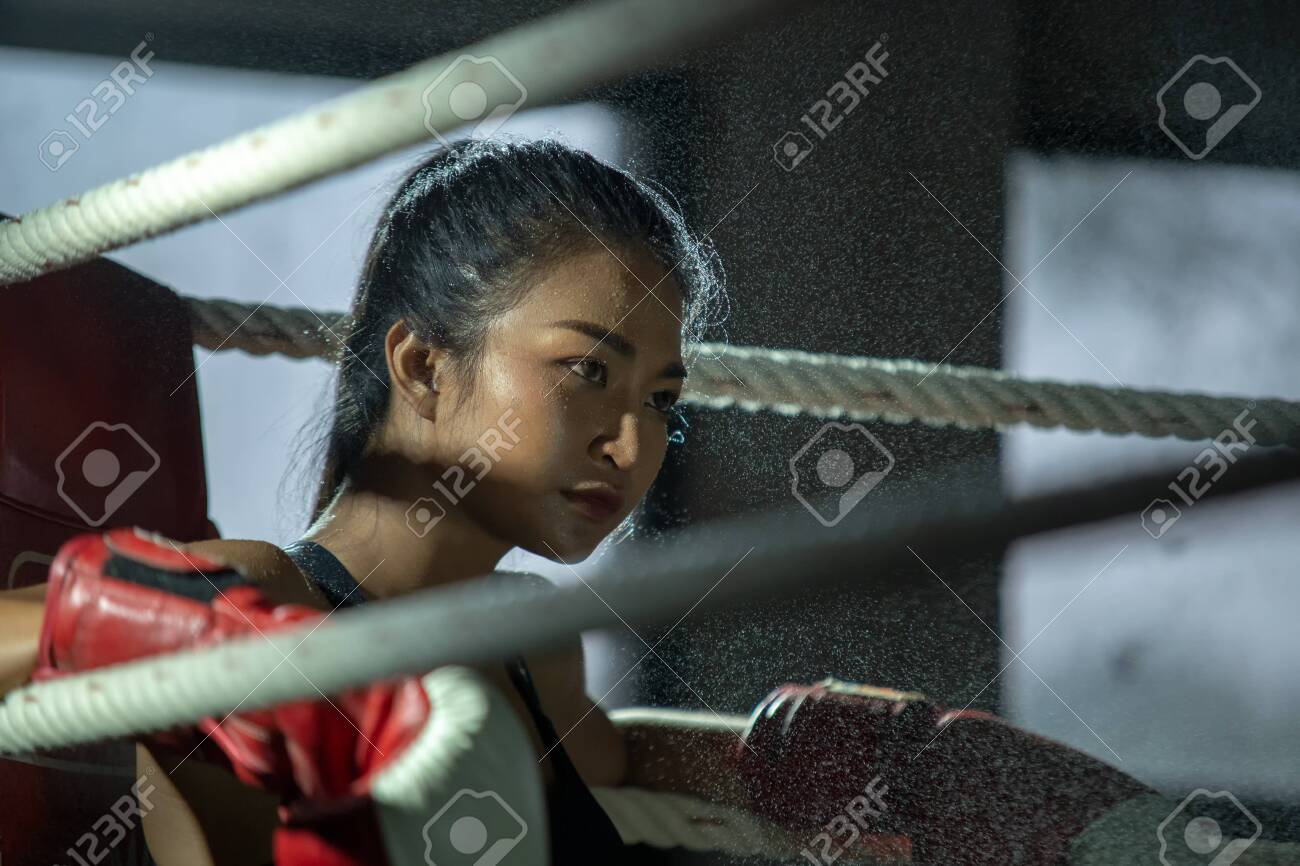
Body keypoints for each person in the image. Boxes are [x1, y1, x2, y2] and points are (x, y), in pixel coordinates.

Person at [1, 139, 1168, 866]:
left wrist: (861, 762)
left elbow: (622, 763)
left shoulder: (533, 661)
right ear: (419, 366)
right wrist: (124, 613)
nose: (632, 438)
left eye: (663, 396)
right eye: (585, 369)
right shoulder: (261, 597)